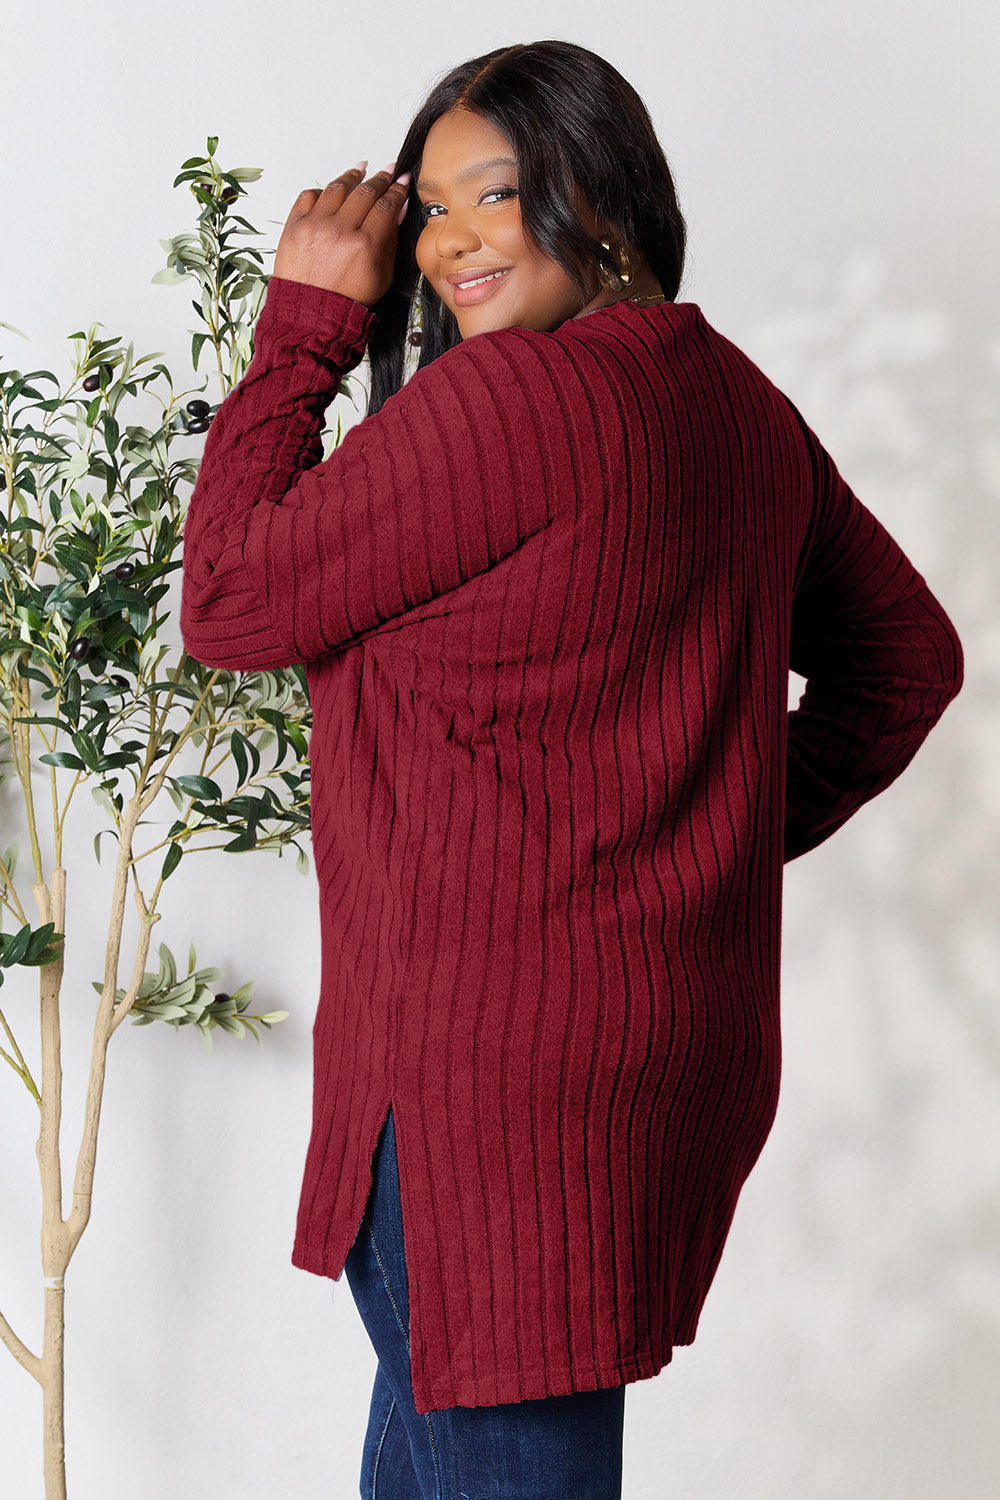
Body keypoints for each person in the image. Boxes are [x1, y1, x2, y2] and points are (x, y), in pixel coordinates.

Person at [179, 38, 964, 1500]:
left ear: (601, 196)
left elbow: (225, 604)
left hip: (493, 1095)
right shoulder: (737, 409)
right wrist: (683, 847)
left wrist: (300, 333)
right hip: (641, 1072)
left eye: (499, 191)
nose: (455, 237)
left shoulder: (511, 410)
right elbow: (908, 659)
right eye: (433, 206)